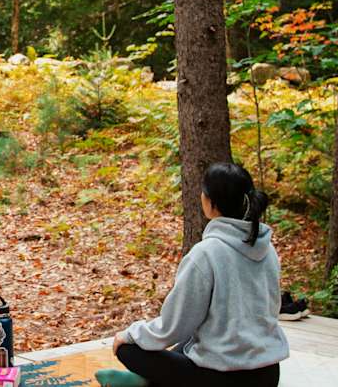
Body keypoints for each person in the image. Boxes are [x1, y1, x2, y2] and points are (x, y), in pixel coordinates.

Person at [96, 162, 289, 387]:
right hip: (268, 375)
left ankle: (145, 382)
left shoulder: (206, 253)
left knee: (129, 349)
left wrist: (129, 335)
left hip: (224, 379)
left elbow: (171, 327)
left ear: (211, 202)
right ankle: (142, 382)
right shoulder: (267, 249)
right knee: (192, 336)